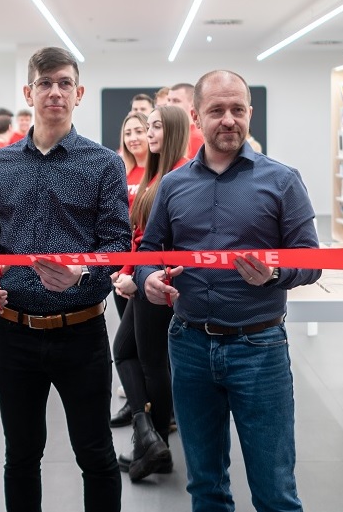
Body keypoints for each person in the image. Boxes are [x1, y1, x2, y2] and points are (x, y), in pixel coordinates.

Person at [135, 70, 320, 512]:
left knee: (275, 490)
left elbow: (310, 259)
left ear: (250, 113)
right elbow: (149, 249)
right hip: (190, 344)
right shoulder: (175, 185)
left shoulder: (282, 180)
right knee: (206, 487)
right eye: (216, 110)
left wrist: (274, 275)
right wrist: (148, 279)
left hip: (259, 347)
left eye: (238, 109)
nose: (228, 119)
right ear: (197, 116)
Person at [0, 47, 130, 512]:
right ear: (29, 92)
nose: (54, 91)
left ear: (78, 94)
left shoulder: (103, 164)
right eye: (45, 83)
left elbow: (118, 244)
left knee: (95, 454)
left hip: (81, 332)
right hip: (16, 331)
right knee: (20, 456)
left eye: (64, 83)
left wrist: (83, 269)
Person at [109, 105, 190, 482]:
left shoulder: (178, 175)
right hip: (144, 278)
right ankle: (151, 440)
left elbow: (158, 241)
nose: (148, 132)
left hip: (160, 283)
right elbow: (141, 236)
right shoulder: (156, 174)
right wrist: (128, 273)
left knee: (143, 357)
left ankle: (153, 442)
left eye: (156, 127)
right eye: (147, 126)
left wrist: (133, 276)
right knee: (139, 356)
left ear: (172, 131)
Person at [111, 112, 148, 320]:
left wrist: (129, 270)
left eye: (138, 131)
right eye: (127, 133)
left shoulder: (158, 173)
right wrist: (118, 268)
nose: (132, 138)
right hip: (120, 267)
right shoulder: (121, 172)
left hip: (142, 268)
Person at [166, 82, 205, 158]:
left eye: (176, 101)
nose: (169, 105)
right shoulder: (175, 133)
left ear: (192, 104)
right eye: (168, 100)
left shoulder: (196, 137)